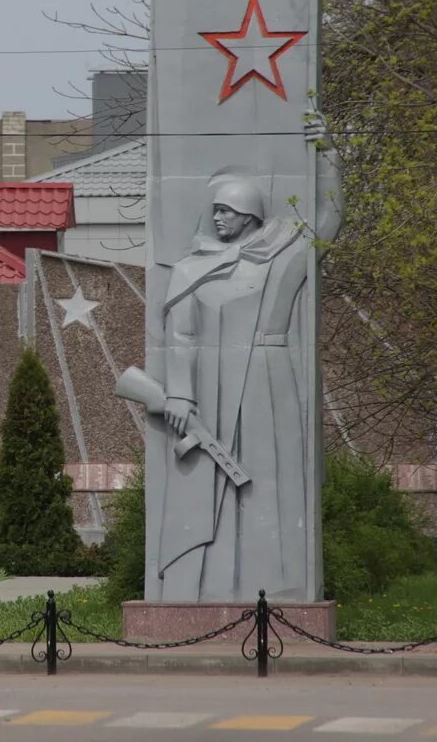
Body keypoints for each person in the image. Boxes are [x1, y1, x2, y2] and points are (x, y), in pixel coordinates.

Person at [156, 122, 341, 601]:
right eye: (214, 209)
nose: (217, 218)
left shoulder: (281, 258)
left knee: (270, 483)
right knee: (208, 490)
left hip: (269, 382)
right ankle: (207, 585)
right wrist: (179, 391)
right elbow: (181, 333)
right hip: (211, 389)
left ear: (249, 216)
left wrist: (327, 154)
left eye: (226, 211)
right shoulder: (191, 266)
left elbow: (329, 218)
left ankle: (276, 585)